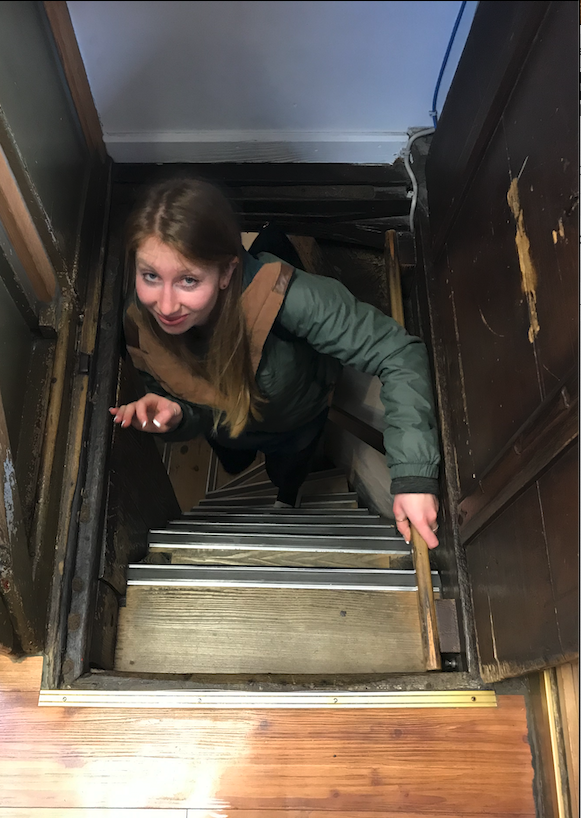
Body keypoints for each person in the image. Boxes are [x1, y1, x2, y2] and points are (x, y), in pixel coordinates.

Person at [110, 177, 441, 548]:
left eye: (188, 280)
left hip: (295, 423)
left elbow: (396, 351)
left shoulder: (289, 299)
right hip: (225, 428)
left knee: (290, 471)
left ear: (226, 273)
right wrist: (177, 416)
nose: (166, 306)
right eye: (150, 276)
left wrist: (413, 479)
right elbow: (180, 397)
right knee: (234, 459)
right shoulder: (138, 323)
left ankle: (287, 496)